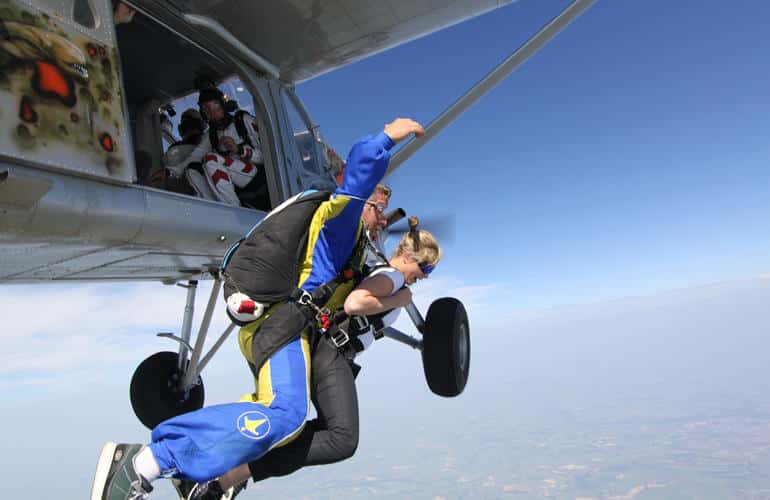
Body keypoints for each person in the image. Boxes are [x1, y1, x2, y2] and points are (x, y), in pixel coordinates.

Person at [89, 118, 425, 500]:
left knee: (281, 417)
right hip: (280, 327)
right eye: (379, 208)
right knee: (286, 414)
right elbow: (356, 182)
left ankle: (207, 471)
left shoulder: (351, 249)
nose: (384, 217)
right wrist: (383, 139)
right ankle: (143, 462)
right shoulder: (339, 226)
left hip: (283, 328)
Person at [181, 227, 441, 500]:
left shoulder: (387, 274)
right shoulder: (392, 276)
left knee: (301, 429)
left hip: (331, 352)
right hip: (332, 353)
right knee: (341, 439)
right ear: (412, 257)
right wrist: (398, 298)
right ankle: (228, 475)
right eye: (427, 268)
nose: (424, 276)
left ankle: (217, 465)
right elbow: (355, 303)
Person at [168, 87, 266, 208]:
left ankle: (234, 210)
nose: (212, 113)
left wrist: (240, 150)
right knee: (192, 169)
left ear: (223, 105)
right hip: (235, 182)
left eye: (215, 106)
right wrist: (169, 172)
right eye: (206, 109)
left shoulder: (243, 121)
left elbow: (267, 157)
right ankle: (215, 209)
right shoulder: (212, 135)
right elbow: (194, 157)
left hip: (256, 177)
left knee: (211, 159)